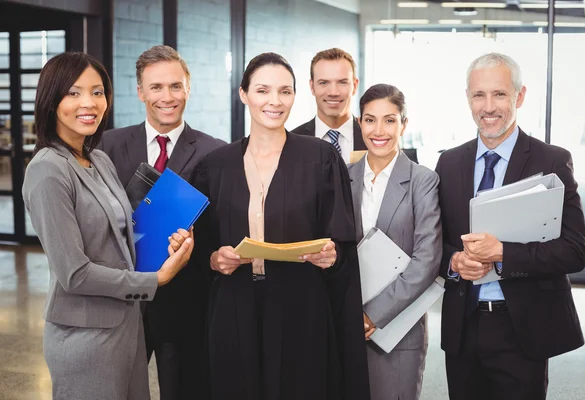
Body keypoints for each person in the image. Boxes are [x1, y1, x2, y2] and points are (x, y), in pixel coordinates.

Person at [191, 52, 370, 400]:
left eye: (285, 92)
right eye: (262, 91)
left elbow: (343, 241)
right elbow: (200, 247)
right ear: (243, 94)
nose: (274, 101)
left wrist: (332, 255)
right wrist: (215, 259)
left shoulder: (320, 157)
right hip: (234, 305)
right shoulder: (215, 166)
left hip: (301, 307)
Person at [21, 52, 194, 400]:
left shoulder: (97, 158)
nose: (89, 103)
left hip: (125, 328)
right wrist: (156, 279)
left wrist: (170, 242)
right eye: (73, 92)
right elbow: (74, 273)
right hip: (85, 336)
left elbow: (123, 232)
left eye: (97, 92)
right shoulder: (47, 170)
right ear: (50, 99)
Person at [436, 52, 585, 400]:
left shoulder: (550, 160)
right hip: (463, 325)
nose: (488, 107)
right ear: (468, 98)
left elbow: (575, 250)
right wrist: (454, 263)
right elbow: (436, 242)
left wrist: (503, 253)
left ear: (519, 96)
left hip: (521, 328)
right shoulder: (449, 162)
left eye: (499, 94)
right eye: (479, 95)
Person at [98, 45, 225, 400]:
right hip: (123, 304)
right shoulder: (108, 145)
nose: (166, 97)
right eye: (156, 87)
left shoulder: (216, 153)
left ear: (188, 88)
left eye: (175, 86)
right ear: (140, 91)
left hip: (186, 305)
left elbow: (220, 228)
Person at [347, 83, 441, 400]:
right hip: (345, 322)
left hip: (399, 327)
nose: (379, 130)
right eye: (370, 120)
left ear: (404, 123)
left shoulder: (422, 180)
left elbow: (426, 260)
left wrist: (373, 313)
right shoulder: (342, 177)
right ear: (359, 123)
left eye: (390, 120)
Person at [292, 48, 365, 163]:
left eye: (342, 82)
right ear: (312, 87)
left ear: (355, 86)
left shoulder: (373, 138)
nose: (333, 93)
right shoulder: (292, 143)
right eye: (324, 83)